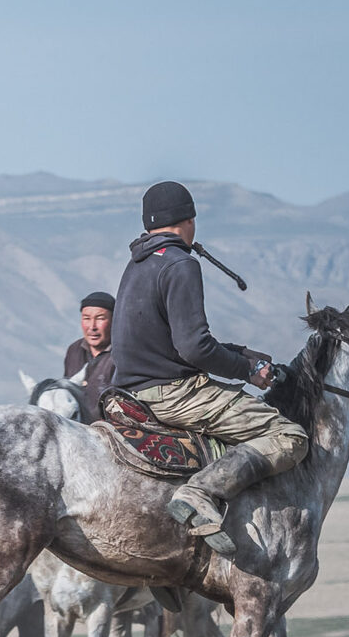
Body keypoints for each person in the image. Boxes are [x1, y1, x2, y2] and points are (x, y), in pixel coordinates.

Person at [111, 181, 308, 556]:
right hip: (172, 394)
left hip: (127, 393)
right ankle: (201, 491)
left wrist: (239, 353)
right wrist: (247, 371)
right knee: (290, 437)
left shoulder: (138, 263)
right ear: (190, 219)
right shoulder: (181, 264)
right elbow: (193, 347)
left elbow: (169, 342)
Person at [63, 291, 117, 421]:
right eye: (87, 318)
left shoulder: (122, 353)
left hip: (110, 431)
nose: (92, 327)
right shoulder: (74, 350)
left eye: (100, 318)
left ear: (114, 320)